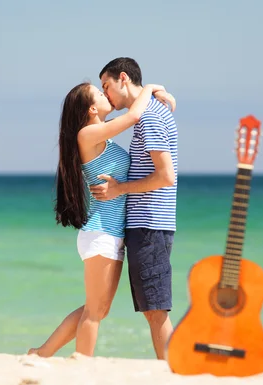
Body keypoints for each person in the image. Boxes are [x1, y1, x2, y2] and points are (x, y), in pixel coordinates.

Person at [28, 80, 175, 357]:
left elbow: (132, 115)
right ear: (92, 108)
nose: (105, 93)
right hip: (101, 233)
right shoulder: (88, 134)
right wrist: (152, 87)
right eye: (99, 91)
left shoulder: (101, 136)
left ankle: (41, 353)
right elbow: (133, 116)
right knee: (95, 312)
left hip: (111, 234)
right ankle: (81, 364)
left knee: (96, 310)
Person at [89, 57, 178, 360]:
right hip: (150, 225)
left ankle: (172, 372)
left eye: (106, 86)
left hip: (150, 225)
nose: (106, 95)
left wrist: (118, 189)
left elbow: (166, 176)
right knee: (154, 308)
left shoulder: (150, 118)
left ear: (122, 78)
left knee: (155, 309)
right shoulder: (150, 112)